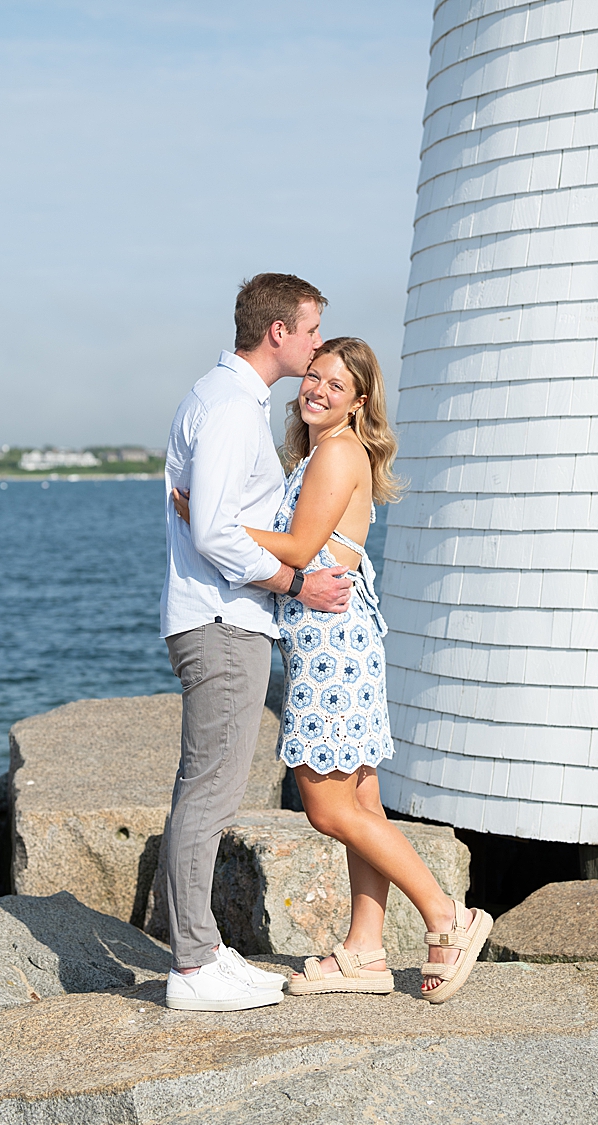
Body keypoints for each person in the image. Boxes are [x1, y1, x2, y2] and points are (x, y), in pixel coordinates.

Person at [174, 337, 492, 1002]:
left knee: (326, 805)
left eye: (334, 385)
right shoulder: (326, 451)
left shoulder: (339, 451)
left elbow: (296, 547)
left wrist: (209, 516)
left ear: (359, 400)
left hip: (332, 646)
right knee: (362, 801)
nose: (315, 389)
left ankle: (446, 915)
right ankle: (366, 950)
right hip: (340, 640)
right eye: (312, 376)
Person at [158, 272, 354, 1012]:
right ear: (277, 332)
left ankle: (201, 949)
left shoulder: (224, 401)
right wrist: (295, 583)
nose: (315, 345)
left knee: (202, 791)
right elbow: (212, 530)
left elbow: (209, 514)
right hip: (222, 622)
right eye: (310, 331)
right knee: (209, 796)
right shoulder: (233, 408)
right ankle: (193, 967)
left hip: (219, 618)